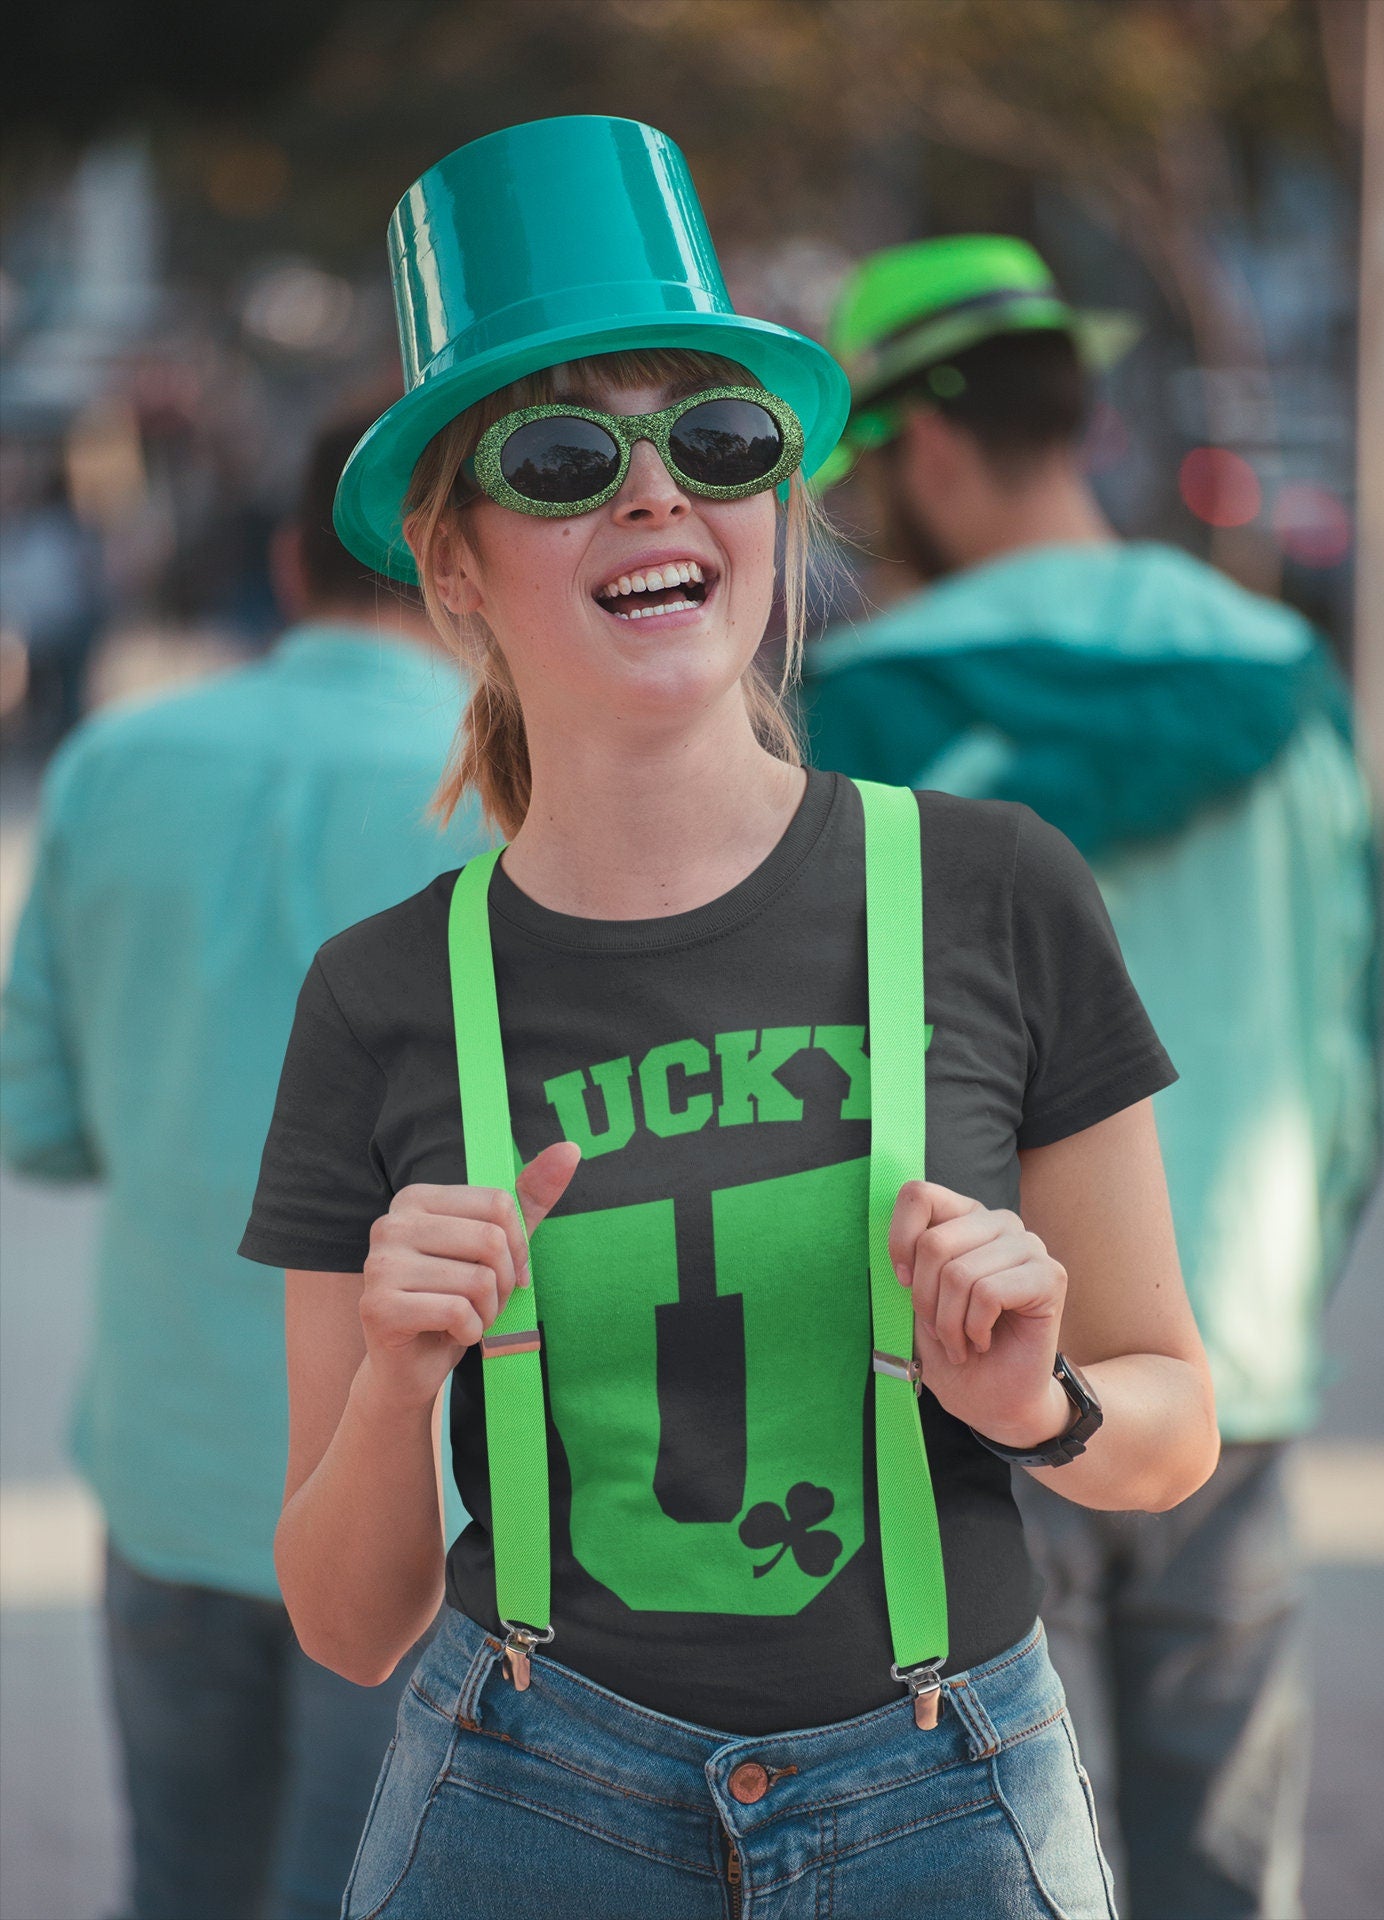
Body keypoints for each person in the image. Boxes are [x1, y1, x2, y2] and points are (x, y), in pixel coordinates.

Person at [238, 119, 1218, 1920]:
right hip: (522, 1805)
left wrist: (1039, 1404)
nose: (654, 494)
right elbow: (345, 1620)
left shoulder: (996, 890)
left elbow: (1172, 1430)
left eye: (717, 438)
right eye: (558, 456)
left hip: (946, 1805)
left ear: (779, 500)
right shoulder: (381, 999)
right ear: (452, 566)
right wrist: (396, 1385)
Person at [802, 234, 1384, 1919]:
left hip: (975, 1376)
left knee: (998, 1873)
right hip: (1241, 1372)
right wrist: (1269, 1290)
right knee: (1224, 1871)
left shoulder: (853, 718)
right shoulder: (1286, 679)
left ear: (913, 447)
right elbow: (1347, 1046)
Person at [0, 411, 482, 1920]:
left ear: (287, 562)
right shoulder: (524, 800)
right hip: (429, 1503)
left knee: (184, 1882)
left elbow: (35, 1119)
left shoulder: (114, 764)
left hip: (172, 1462)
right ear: (470, 569)